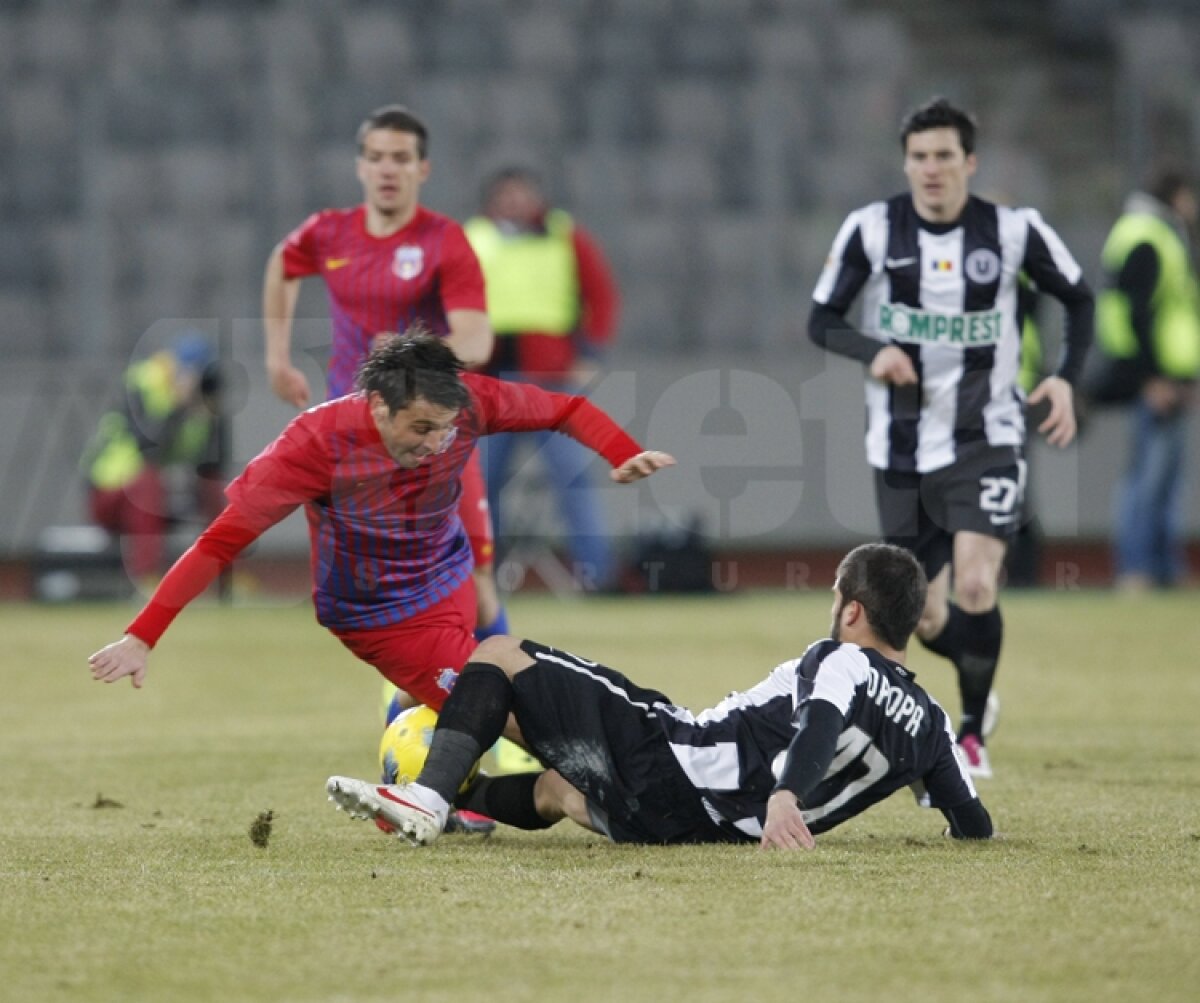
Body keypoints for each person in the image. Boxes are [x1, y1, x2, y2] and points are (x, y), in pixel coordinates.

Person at [88, 333, 675, 709]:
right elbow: (218, 543)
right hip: (379, 613)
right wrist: (143, 636)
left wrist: (621, 449)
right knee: (514, 710)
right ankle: (444, 791)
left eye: (446, 429)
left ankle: (421, 751)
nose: (437, 443)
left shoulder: (465, 402)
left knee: (488, 680)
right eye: (422, 429)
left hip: (448, 578)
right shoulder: (313, 445)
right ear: (376, 406)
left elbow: (564, 406)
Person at [325, 543, 994, 848]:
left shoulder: (840, 659)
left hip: (676, 758)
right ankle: (454, 804)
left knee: (500, 655)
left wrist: (788, 792)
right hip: (698, 832)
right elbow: (973, 822)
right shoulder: (931, 723)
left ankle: (428, 795)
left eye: (833, 599)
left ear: (852, 611)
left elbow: (819, 722)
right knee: (559, 788)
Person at [806, 97, 1094, 779]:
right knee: (923, 615)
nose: (931, 169)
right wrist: (872, 350)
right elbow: (822, 319)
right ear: (905, 163)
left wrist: (1063, 378)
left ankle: (969, 734)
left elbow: (1078, 296)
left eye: (943, 156)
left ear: (969, 162)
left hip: (986, 433)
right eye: (919, 157)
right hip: (900, 447)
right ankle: (977, 683)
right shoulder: (872, 228)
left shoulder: (1014, 232)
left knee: (974, 580)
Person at [260, 104, 509, 642]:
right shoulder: (329, 233)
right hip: (356, 439)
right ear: (360, 167)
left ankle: (501, 697)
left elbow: (476, 339)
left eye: (400, 158)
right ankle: (421, 697)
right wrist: (276, 356)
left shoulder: (444, 241)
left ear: (423, 169)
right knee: (383, 587)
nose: (387, 169)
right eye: (375, 158)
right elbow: (283, 263)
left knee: (478, 576)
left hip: (436, 434)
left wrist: (412, 354)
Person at [464, 166, 622, 591]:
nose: (514, 202)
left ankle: (597, 577)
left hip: (549, 379)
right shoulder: (472, 238)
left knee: (573, 477)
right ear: (491, 200)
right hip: (490, 381)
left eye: (521, 193)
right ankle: (479, 584)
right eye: (506, 194)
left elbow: (601, 295)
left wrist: (590, 353)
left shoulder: (564, 236)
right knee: (479, 485)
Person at [1092, 168, 1200, 590]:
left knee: (1166, 479)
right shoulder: (1148, 237)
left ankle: (1163, 569)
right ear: (1177, 196)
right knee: (1148, 477)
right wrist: (1151, 377)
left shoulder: (1155, 234)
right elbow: (1136, 313)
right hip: (1154, 378)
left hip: (1170, 376)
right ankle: (1135, 568)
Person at [82, 332, 224, 582]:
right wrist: (179, 406)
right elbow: (148, 448)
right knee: (148, 479)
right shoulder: (141, 383)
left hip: (161, 496)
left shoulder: (203, 399)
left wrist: (210, 415)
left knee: (212, 485)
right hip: (109, 494)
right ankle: (147, 577)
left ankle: (224, 574)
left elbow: (213, 464)